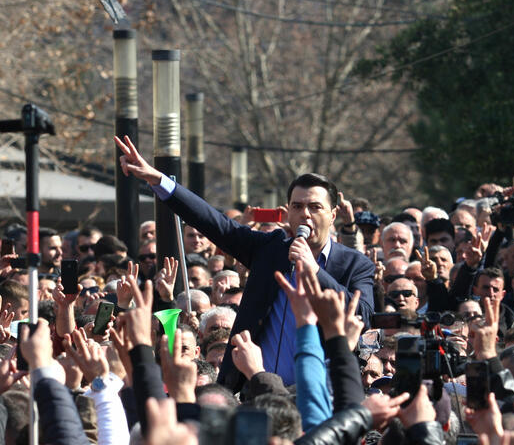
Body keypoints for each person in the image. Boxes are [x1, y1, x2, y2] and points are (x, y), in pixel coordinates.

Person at [115, 135, 374, 389]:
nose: (304, 214)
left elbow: (362, 316)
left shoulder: (355, 265)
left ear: (333, 213)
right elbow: (215, 224)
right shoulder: (269, 249)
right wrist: (157, 179)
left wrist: (315, 271)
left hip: (322, 394)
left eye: (315, 207)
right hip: (257, 390)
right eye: (297, 206)